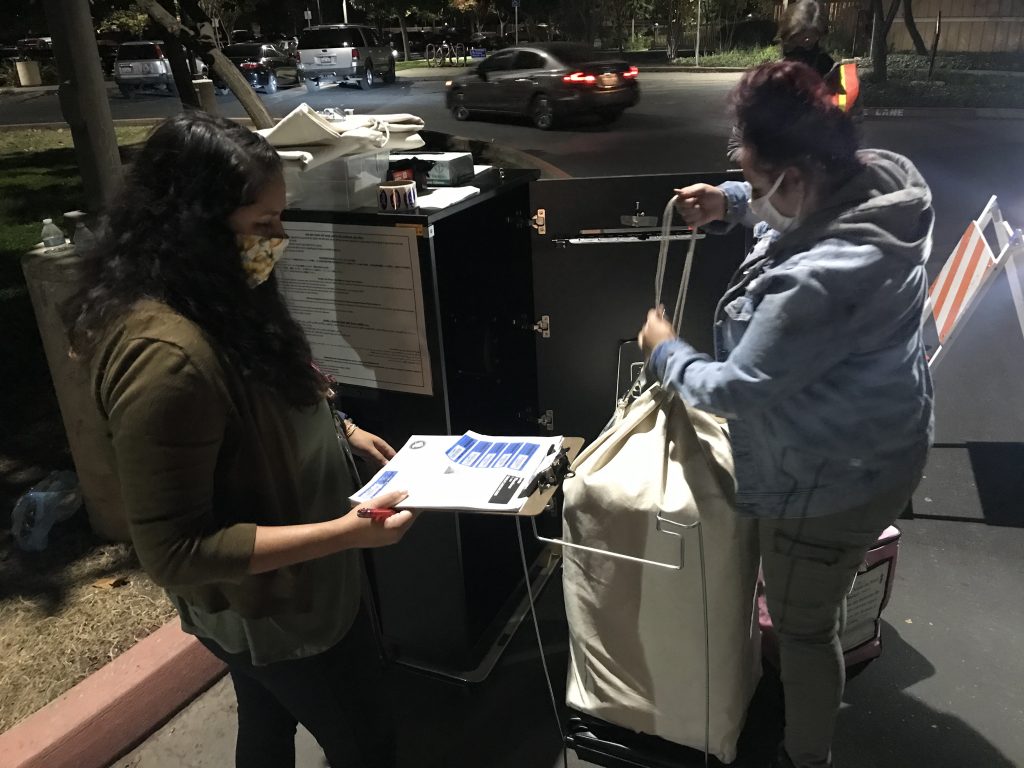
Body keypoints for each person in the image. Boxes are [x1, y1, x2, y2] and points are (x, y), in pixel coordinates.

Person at [64, 112, 415, 768]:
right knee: (368, 742)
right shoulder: (166, 358)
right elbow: (175, 550)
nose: (278, 240)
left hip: (292, 596)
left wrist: (342, 428)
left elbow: (274, 389)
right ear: (194, 227)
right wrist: (349, 532)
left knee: (266, 715)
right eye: (262, 225)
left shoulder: (217, 290)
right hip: (281, 612)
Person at [638, 61, 934, 768]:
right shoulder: (882, 185)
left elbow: (738, 387)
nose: (753, 187)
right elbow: (793, 206)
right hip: (882, 435)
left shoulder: (820, 278)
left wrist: (664, 351)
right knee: (808, 604)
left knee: (804, 629)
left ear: (797, 176)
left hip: (827, 478)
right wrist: (735, 201)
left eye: (756, 175)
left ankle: (807, 756)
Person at [778, 1, 836, 80]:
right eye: (792, 43)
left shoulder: (832, 74)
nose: (797, 50)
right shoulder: (775, 75)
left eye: (807, 44)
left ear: (820, 37)